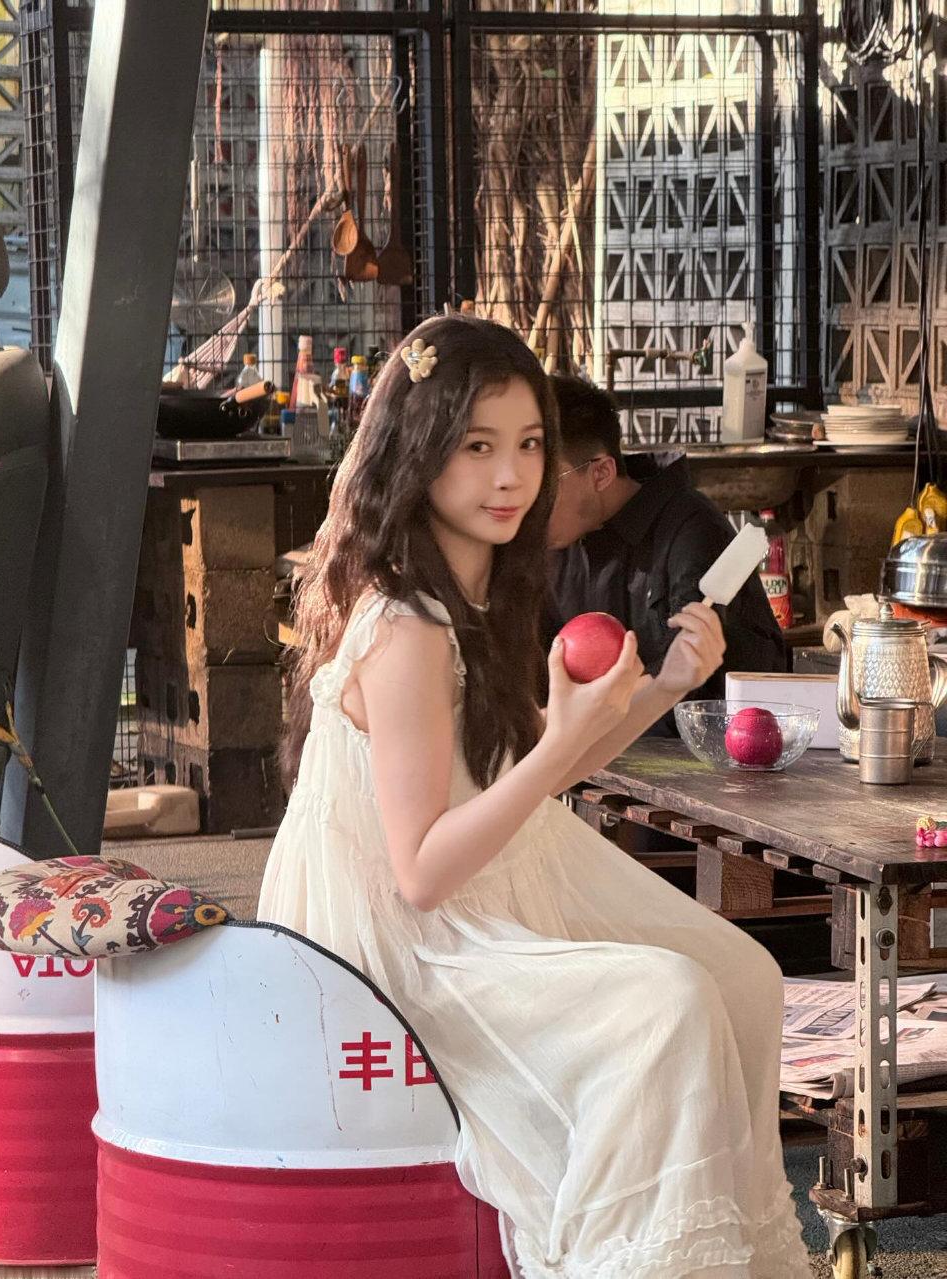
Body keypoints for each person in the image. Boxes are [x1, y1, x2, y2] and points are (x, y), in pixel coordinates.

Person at [258, 315, 809, 1277]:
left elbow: (522, 766)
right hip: (402, 941)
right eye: (477, 447)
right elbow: (421, 871)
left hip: (479, 889)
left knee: (746, 975)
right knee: (666, 1001)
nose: (510, 476)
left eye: (527, 446)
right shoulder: (407, 623)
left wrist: (667, 686)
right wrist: (558, 743)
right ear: (418, 454)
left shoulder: (480, 591)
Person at [546, 376, 787, 734]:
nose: (528, 502)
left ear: (601, 473)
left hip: (709, 749)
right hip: (588, 749)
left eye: (546, 484)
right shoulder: (551, 542)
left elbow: (691, 684)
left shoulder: (692, 530)